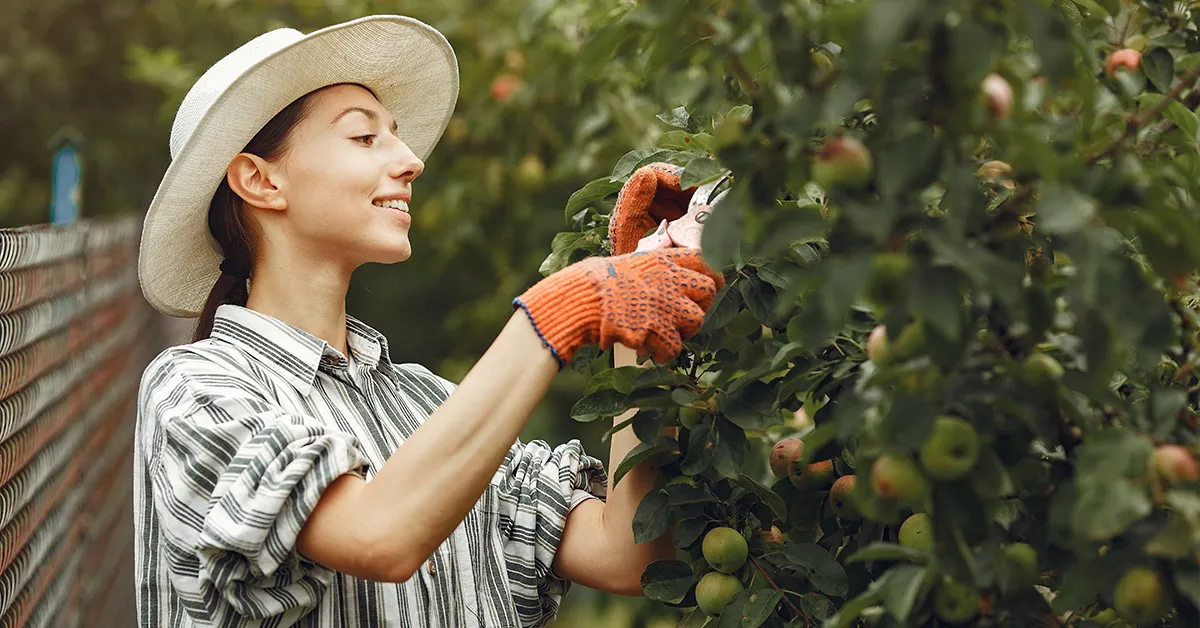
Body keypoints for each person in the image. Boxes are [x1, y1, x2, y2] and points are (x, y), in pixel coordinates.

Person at [132, 14, 725, 628]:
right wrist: (562, 307)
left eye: (397, 136)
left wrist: (641, 296)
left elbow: (623, 555)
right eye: (364, 139)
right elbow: (377, 537)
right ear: (260, 179)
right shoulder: (195, 392)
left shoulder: (427, 403)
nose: (411, 160)